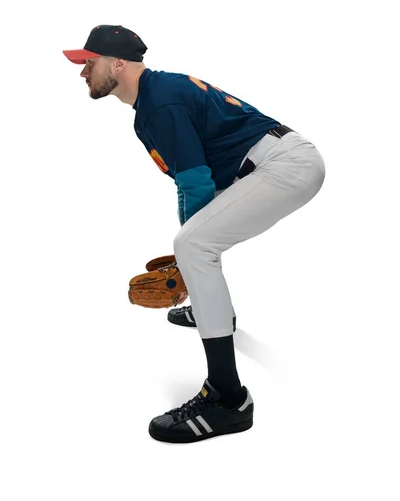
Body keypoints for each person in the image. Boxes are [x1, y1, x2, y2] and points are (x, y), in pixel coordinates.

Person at [63, 24, 326, 444]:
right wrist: (189, 255)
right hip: (271, 162)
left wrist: (189, 253)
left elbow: (199, 185)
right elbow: (190, 183)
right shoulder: (155, 99)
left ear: (117, 63)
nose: (82, 72)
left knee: (195, 244)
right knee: (196, 243)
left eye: (88, 63)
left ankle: (227, 399)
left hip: (284, 165)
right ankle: (211, 310)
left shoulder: (159, 104)